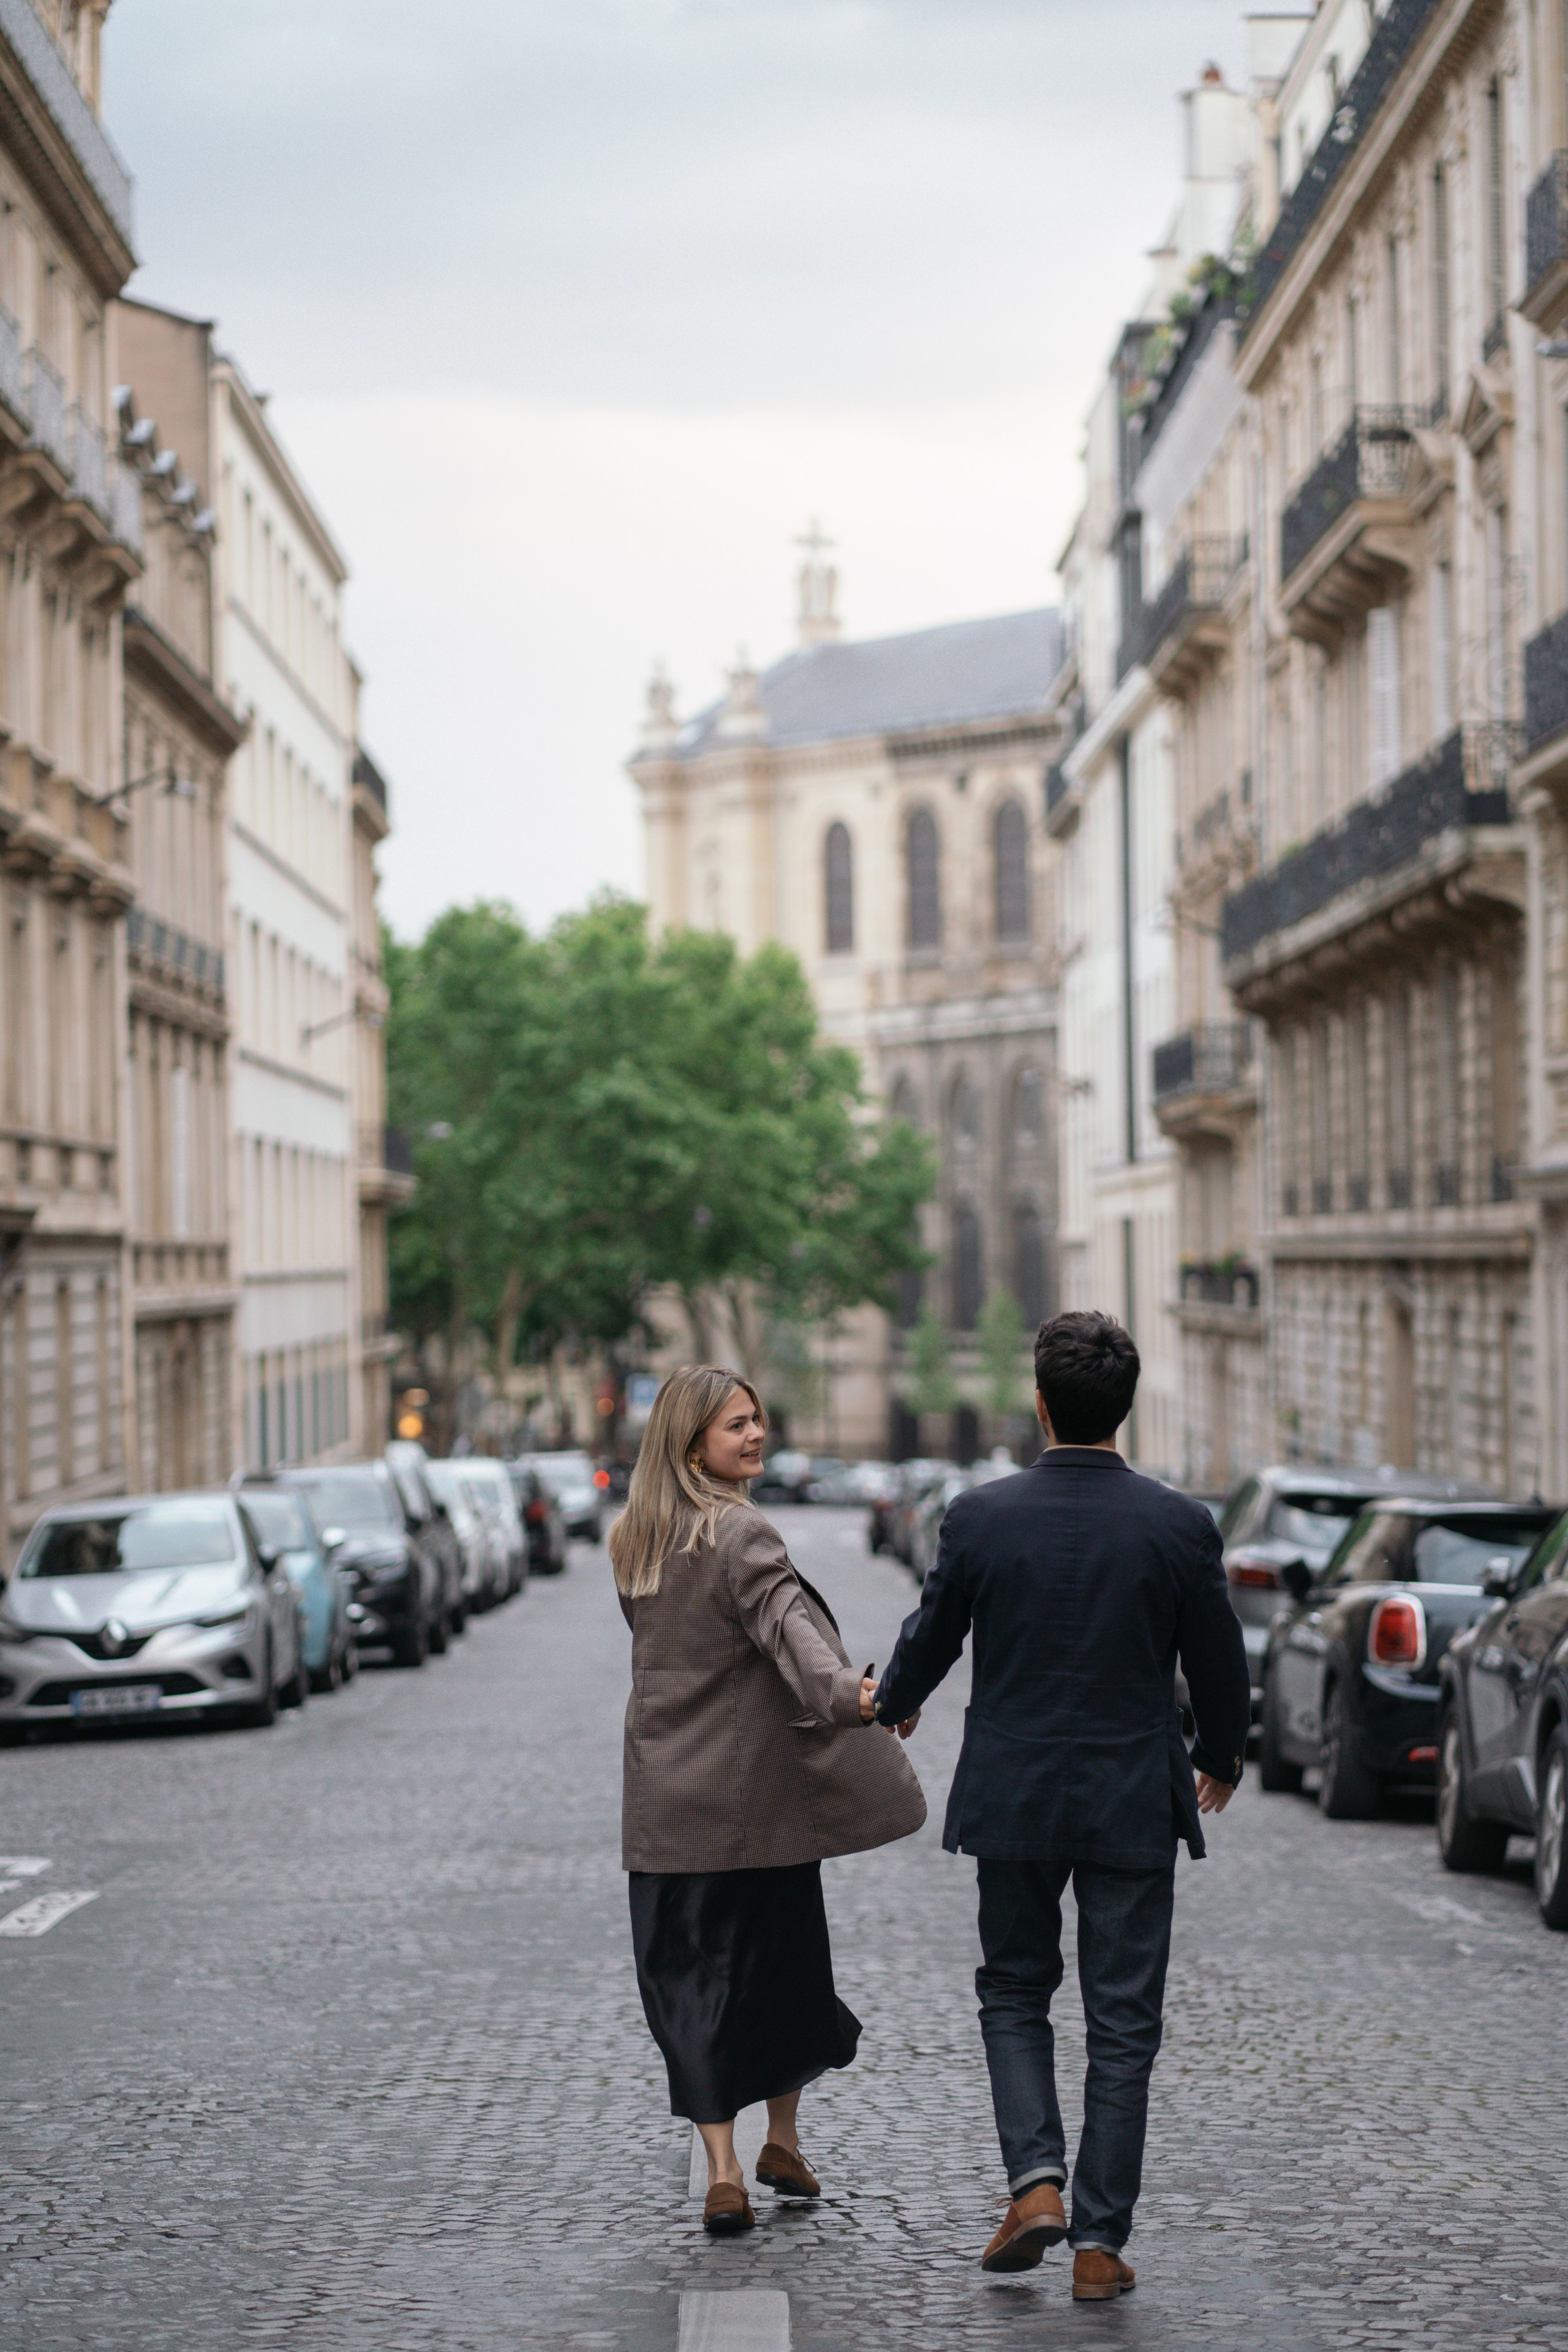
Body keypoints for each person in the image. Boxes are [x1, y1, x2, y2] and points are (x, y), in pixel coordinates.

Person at [867, 1310, 1250, 2302]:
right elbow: (1219, 1661)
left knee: (1013, 1992)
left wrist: (896, 1701)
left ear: (1040, 1405)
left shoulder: (981, 1516)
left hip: (1016, 1789)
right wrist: (1220, 1757)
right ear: (1125, 1409)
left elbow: (934, 1630)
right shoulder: (1179, 1524)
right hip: (1133, 1795)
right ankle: (1097, 2245)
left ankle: (1036, 2184)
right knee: (1123, 2022)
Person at [612, 1364, 925, 2236]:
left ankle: (730, 2168)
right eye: (735, 1425)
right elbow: (790, 1633)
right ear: (691, 1446)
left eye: (756, 1419)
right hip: (755, 1803)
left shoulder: (633, 1538)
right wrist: (858, 1697)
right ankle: (777, 2138)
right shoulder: (741, 1531)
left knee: (689, 1984)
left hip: (666, 1799)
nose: (756, 1435)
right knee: (784, 1974)